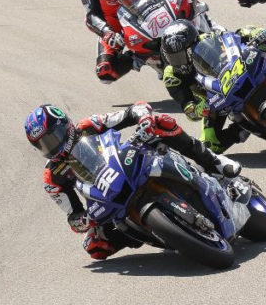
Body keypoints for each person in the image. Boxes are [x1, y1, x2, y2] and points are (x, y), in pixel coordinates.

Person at [25, 102, 240, 260]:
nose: (50, 147)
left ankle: (215, 162)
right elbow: (72, 214)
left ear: (64, 126)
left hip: (127, 161)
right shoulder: (52, 177)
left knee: (161, 123)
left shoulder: (89, 125)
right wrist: (82, 221)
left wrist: (143, 119)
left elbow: (131, 111)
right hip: (105, 197)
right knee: (95, 247)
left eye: (51, 138)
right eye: (43, 145)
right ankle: (156, 234)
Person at [159, 21, 266, 152]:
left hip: (238, 74)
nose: (177, 62)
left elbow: (234, 40)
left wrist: (254, 36)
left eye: (180, 56)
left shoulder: (208, 38)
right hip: (214, 102)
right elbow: (186, 106)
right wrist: (197, 109)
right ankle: (242, 127)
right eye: (173, 58)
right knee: (211, 145)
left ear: (191, 46)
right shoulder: (172, 76)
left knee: (260, 36)